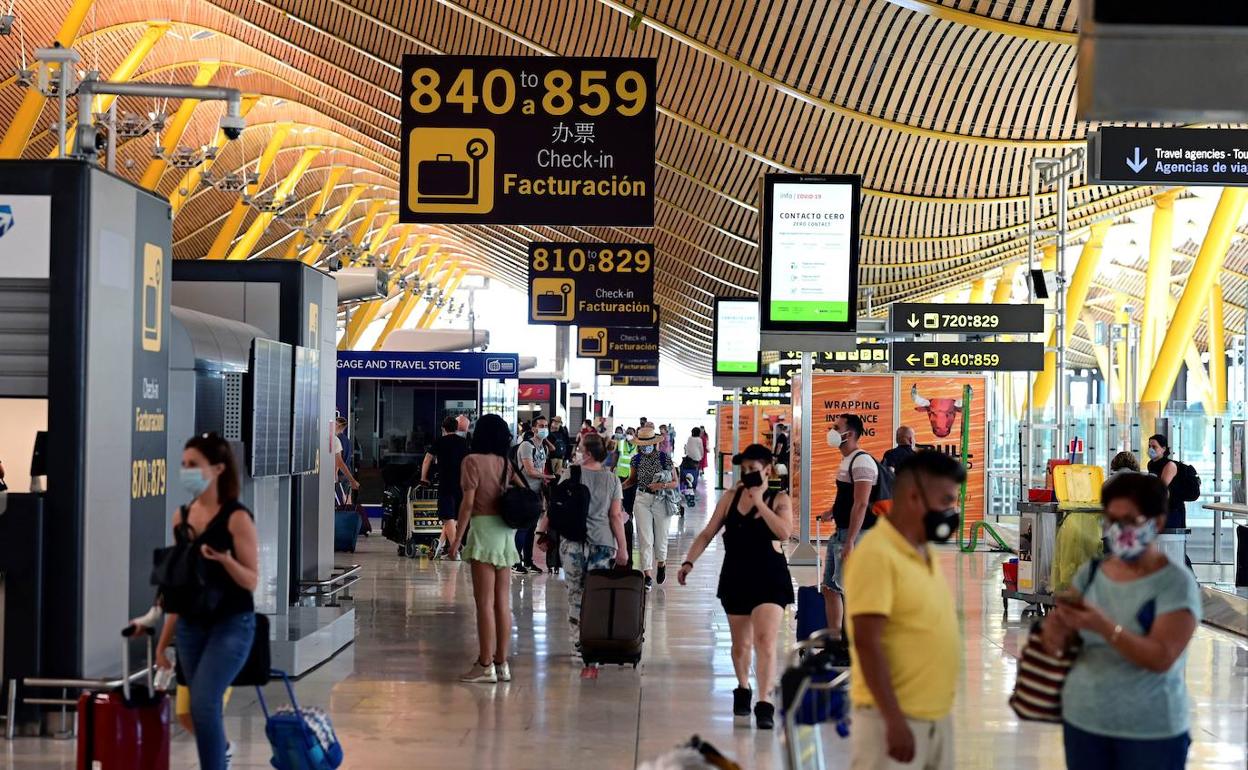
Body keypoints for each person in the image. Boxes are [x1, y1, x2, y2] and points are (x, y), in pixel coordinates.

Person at [1042, 472, 1201, 770]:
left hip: (1149, 731)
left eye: (1130, 520)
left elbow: (1161, 657)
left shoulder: (1175, 584)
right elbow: (1058, 644)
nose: (1118, 530)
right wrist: (1057, 628)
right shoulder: (1091, 574)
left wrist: (1104, 626)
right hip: (1085, 721)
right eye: (1112, 520)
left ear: (1157, 523)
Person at [845, 451, 965, 769]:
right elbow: (867, 643)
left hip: (934, 716)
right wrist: (894, 720)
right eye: (946, 501)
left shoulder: (922, 551)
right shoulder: (877, 555)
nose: (952, 512)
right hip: (893, 721)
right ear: (913, 497)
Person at [154, 433, 259, 770]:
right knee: (192, 711)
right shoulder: (181, 518)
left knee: (203, 702)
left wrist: (225, 560)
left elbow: (252, 580)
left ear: (217, 468)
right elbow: (178, 589)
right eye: (184, 465)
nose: (186, 471)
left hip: (232, 623)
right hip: (191, 624)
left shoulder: (236, 518)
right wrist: (163, 642)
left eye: (193, 465)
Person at [678, 444, 793, 729]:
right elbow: (707, 532)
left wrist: (760, 502)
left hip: (770, 575)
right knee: (741, 645)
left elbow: (784, 532)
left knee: (765, 640)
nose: (748, 474)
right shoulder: (730, 497)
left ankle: (764, 702)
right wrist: (688, 562)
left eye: (754, 470)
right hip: (737, 575)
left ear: (767, 469)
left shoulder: (780, 498)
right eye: (744, 470)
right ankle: (743, 688)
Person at [537, 433, 629, 651]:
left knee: (575, 591)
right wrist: (623, 548)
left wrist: (541, 532)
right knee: (596, 592)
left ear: (587, 453)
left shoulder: (571, 473)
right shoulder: (612, 479)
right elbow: (616, 516)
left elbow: (555, 505)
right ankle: (595, 636)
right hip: (603, 544)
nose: (576, 450)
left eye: (579, 447)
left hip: (572, 542)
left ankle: (579, 639)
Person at [448, 414, 521, 684]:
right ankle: (503, 664)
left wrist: (456, 540)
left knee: (483, 604)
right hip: (505, 533)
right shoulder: (505, 463)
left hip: (483, 531)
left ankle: (484, 663)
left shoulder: (471, 462)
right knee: (503, 603)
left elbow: (467, 504)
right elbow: (521, 491)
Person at [820, 413, 879, 641]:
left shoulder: (862, 461)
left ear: (850, 434)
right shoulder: (847, 459)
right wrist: (832, 512)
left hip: (858, 536)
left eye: (836, 427)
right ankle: (835, 642)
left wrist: (851, 541)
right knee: (831, 588)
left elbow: (862, 502)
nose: (832, 430)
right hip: (841, 532)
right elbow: (847, 498)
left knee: (851, 590)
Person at [627, 425, 679, 590]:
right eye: (642, 443)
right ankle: (647, 575)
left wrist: (661, 485)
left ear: (654, 443)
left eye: (648, 442)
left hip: (661, 500)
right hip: (642, 499)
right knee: (645, 538)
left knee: (661, 539)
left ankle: (661, 563)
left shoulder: (665, 458)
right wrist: (616, 488)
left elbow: (675, 482)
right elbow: (632, 480)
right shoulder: (636, 459)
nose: (645, 446)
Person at [422, 415, 470, 560]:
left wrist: (423, 477)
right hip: (462, 485)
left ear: (443, 428)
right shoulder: (464, 442)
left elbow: (427, 459)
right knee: (453, 518)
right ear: (457, 428)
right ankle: (440, 545)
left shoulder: (439, 442)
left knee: (447, 517)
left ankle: (455, 551)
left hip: (446, 484)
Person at [513, 415, 553, 574]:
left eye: (546, 426)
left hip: (536, 492)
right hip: (525, 491)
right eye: (541, 426)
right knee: (523, 527)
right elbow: (529, 470)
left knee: (531, 528)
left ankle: (528, 561)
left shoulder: (543, 447)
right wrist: (547, 477)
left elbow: (541, 468)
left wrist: (544, 479)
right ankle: (516, 562)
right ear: (534, 429)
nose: (544, 429)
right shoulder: (526, 446)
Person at [1146, 435, 1187, 529]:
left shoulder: (1169, 465)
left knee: (1170, 540)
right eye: (1149, 446)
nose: (1150, 449)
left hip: (1172, 510)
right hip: (1159, 509)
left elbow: (1161, 488)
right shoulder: (1151, 464)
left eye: (1154, 447)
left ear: (1163, 449)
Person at [331, 416, 359, 501]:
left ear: (339, 426)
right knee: (347, 498)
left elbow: (339, 460)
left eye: (335, 424)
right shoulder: (347, 440)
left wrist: (335, 474)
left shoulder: (336, 439)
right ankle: (347, 512)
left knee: (339, 499)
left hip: (339, 474)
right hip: (347, 472)